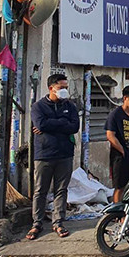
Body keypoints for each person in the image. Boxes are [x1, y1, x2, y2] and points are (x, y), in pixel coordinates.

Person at [25, 74, 80, 240]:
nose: (64, 91)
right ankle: (37, 223)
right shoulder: (38, 106)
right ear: (51, 88)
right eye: (61, 87)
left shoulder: (69, 106)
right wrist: (62, 122)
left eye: (66, 87)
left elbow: (75, 126)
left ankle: (58, 222)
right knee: (40, 190)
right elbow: (40, 124)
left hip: (65, 154)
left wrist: (53, 124)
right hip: (44, 154)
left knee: (61, 190)